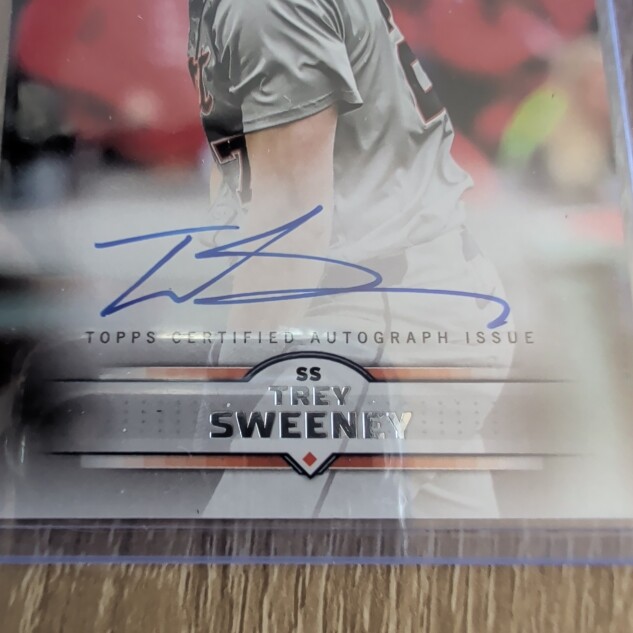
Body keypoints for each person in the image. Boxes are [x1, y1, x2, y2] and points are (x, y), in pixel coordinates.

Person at [188, 0, 515, 518]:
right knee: (444, 569)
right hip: (412, 300)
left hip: (374, 321)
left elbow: (292, 214)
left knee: (240, 560)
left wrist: (234, 384)